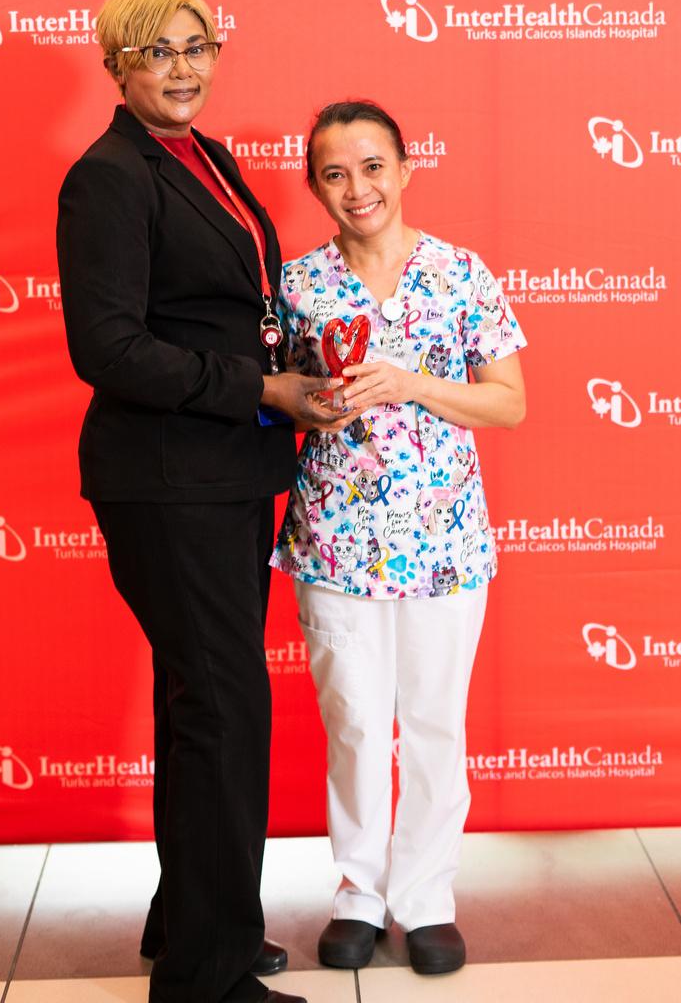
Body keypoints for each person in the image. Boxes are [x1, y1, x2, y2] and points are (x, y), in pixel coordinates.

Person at [56, 0, 347, 1003]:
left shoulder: (201, 156)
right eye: (156, 52)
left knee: (199, 704)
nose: (182, 68)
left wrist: (293, 366)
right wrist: (258, 388)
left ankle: (190, 925)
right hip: (168, 478)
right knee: (223, 709)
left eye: (197, 46)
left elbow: (219, 309)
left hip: (222, 472)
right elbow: (107, 348)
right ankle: (207, 979)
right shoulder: (108, 177)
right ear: (116, 67)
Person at [271, 101, 526, 976]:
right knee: (351, 722)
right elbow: (274, 398)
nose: (358, 188)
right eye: (335, 174)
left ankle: (423, 898)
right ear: (315, 186)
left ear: (406, 169)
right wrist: (313, 404)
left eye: (372, 167)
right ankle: (358, 892)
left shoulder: (459, 274)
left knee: (432, 722)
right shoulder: (295, 286)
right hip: (334, 541)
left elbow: (508, 402)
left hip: (443, 542)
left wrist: (412, 384)